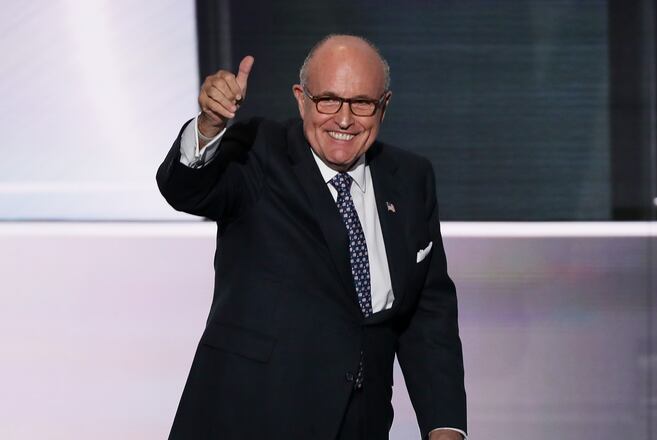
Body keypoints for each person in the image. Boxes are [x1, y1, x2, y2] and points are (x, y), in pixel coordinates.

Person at [156, 34, 467, 440]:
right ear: (301, 98)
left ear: (384, 106)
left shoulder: (410, 178)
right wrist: (210, 126)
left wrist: (445, 424)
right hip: (250, 417)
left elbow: (428, 314)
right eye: (329, 100)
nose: (343, 119)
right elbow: (187, 190)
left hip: (361, 424)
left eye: (361, 103)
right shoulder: (259, 152)